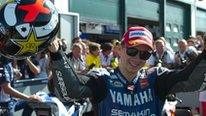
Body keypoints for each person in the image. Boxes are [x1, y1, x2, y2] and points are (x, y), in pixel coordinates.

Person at [48, 26, 206, 116]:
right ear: (120, 49)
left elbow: (192, 81)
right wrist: (56, 54)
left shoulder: (156, 77)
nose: (137, 58)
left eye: (144, 54)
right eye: (132, 51)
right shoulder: (103, 79)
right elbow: (70, 90)